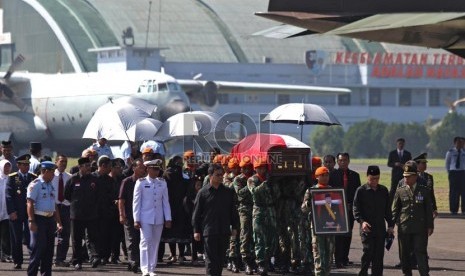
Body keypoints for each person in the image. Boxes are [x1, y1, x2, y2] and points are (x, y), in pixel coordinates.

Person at [193, 163, 239, 276]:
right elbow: (196, 213)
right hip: (209, 231)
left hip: (223, 230)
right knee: (210, 260)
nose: (220, 177)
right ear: (210, 176)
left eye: (221, 175)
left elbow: (233, 211)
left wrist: (235, 227)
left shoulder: (228, 192)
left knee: (220, 260)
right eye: (217, 175)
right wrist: (196, 230)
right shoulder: (203, 193)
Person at [392, 161, 434, 276]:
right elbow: (395, 209)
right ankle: (407, 274)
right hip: (404, 227)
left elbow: (428, 210)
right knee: (404, 255)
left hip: (419, 228)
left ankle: (424, 274)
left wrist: (430, 226)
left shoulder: (424, 190)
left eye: (409, 176)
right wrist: (392, 225)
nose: (406, 179)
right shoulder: (400, 190)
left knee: (420, 253)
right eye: (404, 176)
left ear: (415, 176)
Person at [353, 165, 394, 276]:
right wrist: (362, 222)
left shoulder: (383, 190)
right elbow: (356, 209)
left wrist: (390, 226)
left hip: (380, 229)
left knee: (379, 256)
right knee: (368, 253)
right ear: (367, 177)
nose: (375, 181)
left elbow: (387, 210)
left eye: (377, 178)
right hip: (367, 228)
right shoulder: (361, 191)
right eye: (372, 179)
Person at [133, 159, 172, 276]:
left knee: (155, 243)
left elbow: (166, 202)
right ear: (148, 169)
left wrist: (168, 218)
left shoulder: (162, 182)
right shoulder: (141, 182)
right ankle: (145, 269)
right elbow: (136, 202)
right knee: (145, 241)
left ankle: (151, 268)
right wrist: (136, 219)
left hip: (158, 217)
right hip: (145, 217)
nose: (157, 172)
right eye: (154, 169)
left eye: (158, 169)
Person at [26, 161, 63, 276]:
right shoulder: (35, 184)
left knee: (49, 251)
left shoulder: (50, 185)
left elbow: (54, 205)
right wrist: (31, 221)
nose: (54, 175)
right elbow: (29, 203)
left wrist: (58, 222)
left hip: (50, 220)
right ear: (45, 171)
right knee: (38, 250)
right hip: (39, 219)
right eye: (52, 172)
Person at [64, 157, 100, 270]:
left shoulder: (94, 179)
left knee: (92, 238)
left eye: (89, 165)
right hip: (77, 215)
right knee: (76, 239)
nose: (89, 168)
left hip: (91, 214)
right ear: (80, 167)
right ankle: (77, 261)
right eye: (86, 166)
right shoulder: (73, 179)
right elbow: (67, 195)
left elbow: (98, 195)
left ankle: (94, 257)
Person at [301, 166, 335, 276]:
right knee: (318, 253)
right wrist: (309, 204)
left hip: (330, 226)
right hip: (317, 226)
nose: (325, 177)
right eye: (322, 175)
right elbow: (303, 209)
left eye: (327, 175)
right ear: (317, 177)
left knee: (329, 253)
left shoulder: (333, 190)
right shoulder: (311, 191)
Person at [247, 158, 278, 276]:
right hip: (259, 210)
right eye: (259, 168)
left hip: (270, 209)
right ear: (255, 168)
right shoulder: (252, 180)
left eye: (263, 167)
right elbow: (254, 192)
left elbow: (277, 194)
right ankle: (260, 263)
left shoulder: (270, 180)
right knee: (259, 238)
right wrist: (265, 184)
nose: (262, 170)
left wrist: (272, 184)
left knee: (272, 237)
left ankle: (268, 260)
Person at [329, 152, 361, 268]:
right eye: (341, 160)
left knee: (348, 234)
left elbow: (358, 194)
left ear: (348, 161)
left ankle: (344, 258)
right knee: (338, 236)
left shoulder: (355, 175)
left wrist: (353, 206)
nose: (343, 162)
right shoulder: (332, 175)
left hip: (350, 210)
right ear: (337, 162)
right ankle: (338, 260)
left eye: (345, 160)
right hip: (337, 210)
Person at [6, 154, 37, 269]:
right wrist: (12, 211)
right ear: (18, 165)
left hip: (30, 212)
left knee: (31, 237)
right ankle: (17, 260)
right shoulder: (12, 177)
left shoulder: (33, 177)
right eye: (24, 164)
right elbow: (8, 196)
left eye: (28, 164)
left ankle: (33, 259)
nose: (26, 166)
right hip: (17, 212)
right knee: (16, 238)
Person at [119, 159, 146, 273]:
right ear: (134, 168)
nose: (143, 169)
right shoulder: (127, 181)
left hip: (143, 215)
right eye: (140, 167)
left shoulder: (146, 182)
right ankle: (134, 262)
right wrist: (121, 214)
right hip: (130, 216)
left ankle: (136, 262)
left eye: (144, 167)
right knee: (131, 240)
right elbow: (121, 200)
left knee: (141, 240)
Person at [162, 156, 190, 265]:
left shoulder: (180, 175)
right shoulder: (170, 175)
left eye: (180, 163)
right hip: (174, 206)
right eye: (177, 163)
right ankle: (176, 255)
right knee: (174, 232)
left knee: (177, 232)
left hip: (177, 207)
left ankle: (178, 255)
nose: (179, 166)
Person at [51, 154, 72, 267]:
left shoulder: (69, 177)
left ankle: (60, 258)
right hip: (52, 207)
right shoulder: (51, 176)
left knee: (65, 234)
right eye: (61, 161)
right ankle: (47, 257)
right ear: (56, 162)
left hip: (65, 207)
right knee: (50, 234)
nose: (63, 164)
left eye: (65, 161)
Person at [388, 138, 412, 203]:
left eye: (402, 144)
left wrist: (404, 166)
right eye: (399, 144)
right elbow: (389, 164)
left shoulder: (408, 154)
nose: (401, 145)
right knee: (393, 191)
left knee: (404, 191)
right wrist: (395, 164)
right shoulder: (392, 153)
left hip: (404, 176)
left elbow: (410, 164)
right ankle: (388, 207)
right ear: (397, 144)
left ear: (404, 144)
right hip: (395, 176)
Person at [445, 136, 465, 214]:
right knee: (453, 192)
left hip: (463, 173)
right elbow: (447, 163)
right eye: (458, 142)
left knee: (464, 192)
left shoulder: (464, 152)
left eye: (461, 143)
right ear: (455, 143)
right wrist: (449, 173)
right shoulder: (450, 152)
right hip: (453, 173)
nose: (460, 144)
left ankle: (464, 210)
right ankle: (453, 209)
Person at [414, 153, 438, 219]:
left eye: (425, 163)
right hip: (416, 206)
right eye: (423, 163)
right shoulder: (413, 176)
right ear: (417, 164)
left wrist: (434, 208)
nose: (425, 165)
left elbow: (431, 193)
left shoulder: (429, 177)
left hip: (427, 206)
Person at [0, 160, 12, 262]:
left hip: (7, 212)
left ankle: (6, 254)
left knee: (6, 235)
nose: (7, 169)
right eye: (5, 167)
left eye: (8, 167)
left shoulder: (12, 179)